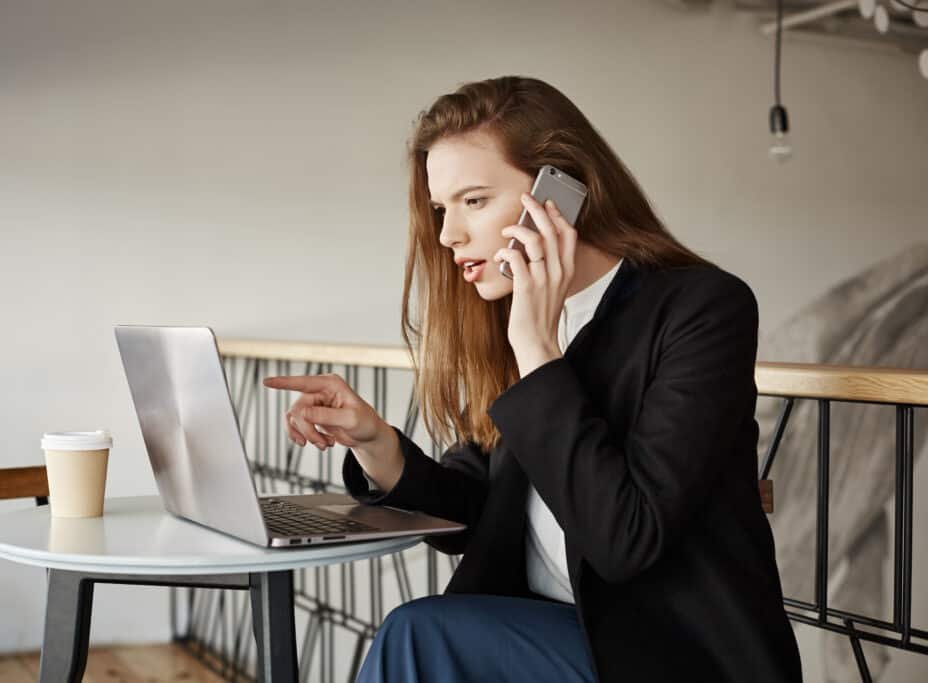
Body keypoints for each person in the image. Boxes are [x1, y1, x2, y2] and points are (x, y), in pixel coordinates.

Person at [263, 75, 803, 683]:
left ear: (562, 193)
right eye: (442, 209)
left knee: (417, 634)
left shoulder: (701, 308)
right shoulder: (519, 321)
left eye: (474, 201)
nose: (448, 236)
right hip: (541, 632)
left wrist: (538, 352)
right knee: (424, 633)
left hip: (669, 655)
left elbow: (627, 540)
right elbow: (475, 512)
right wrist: (376, 444)